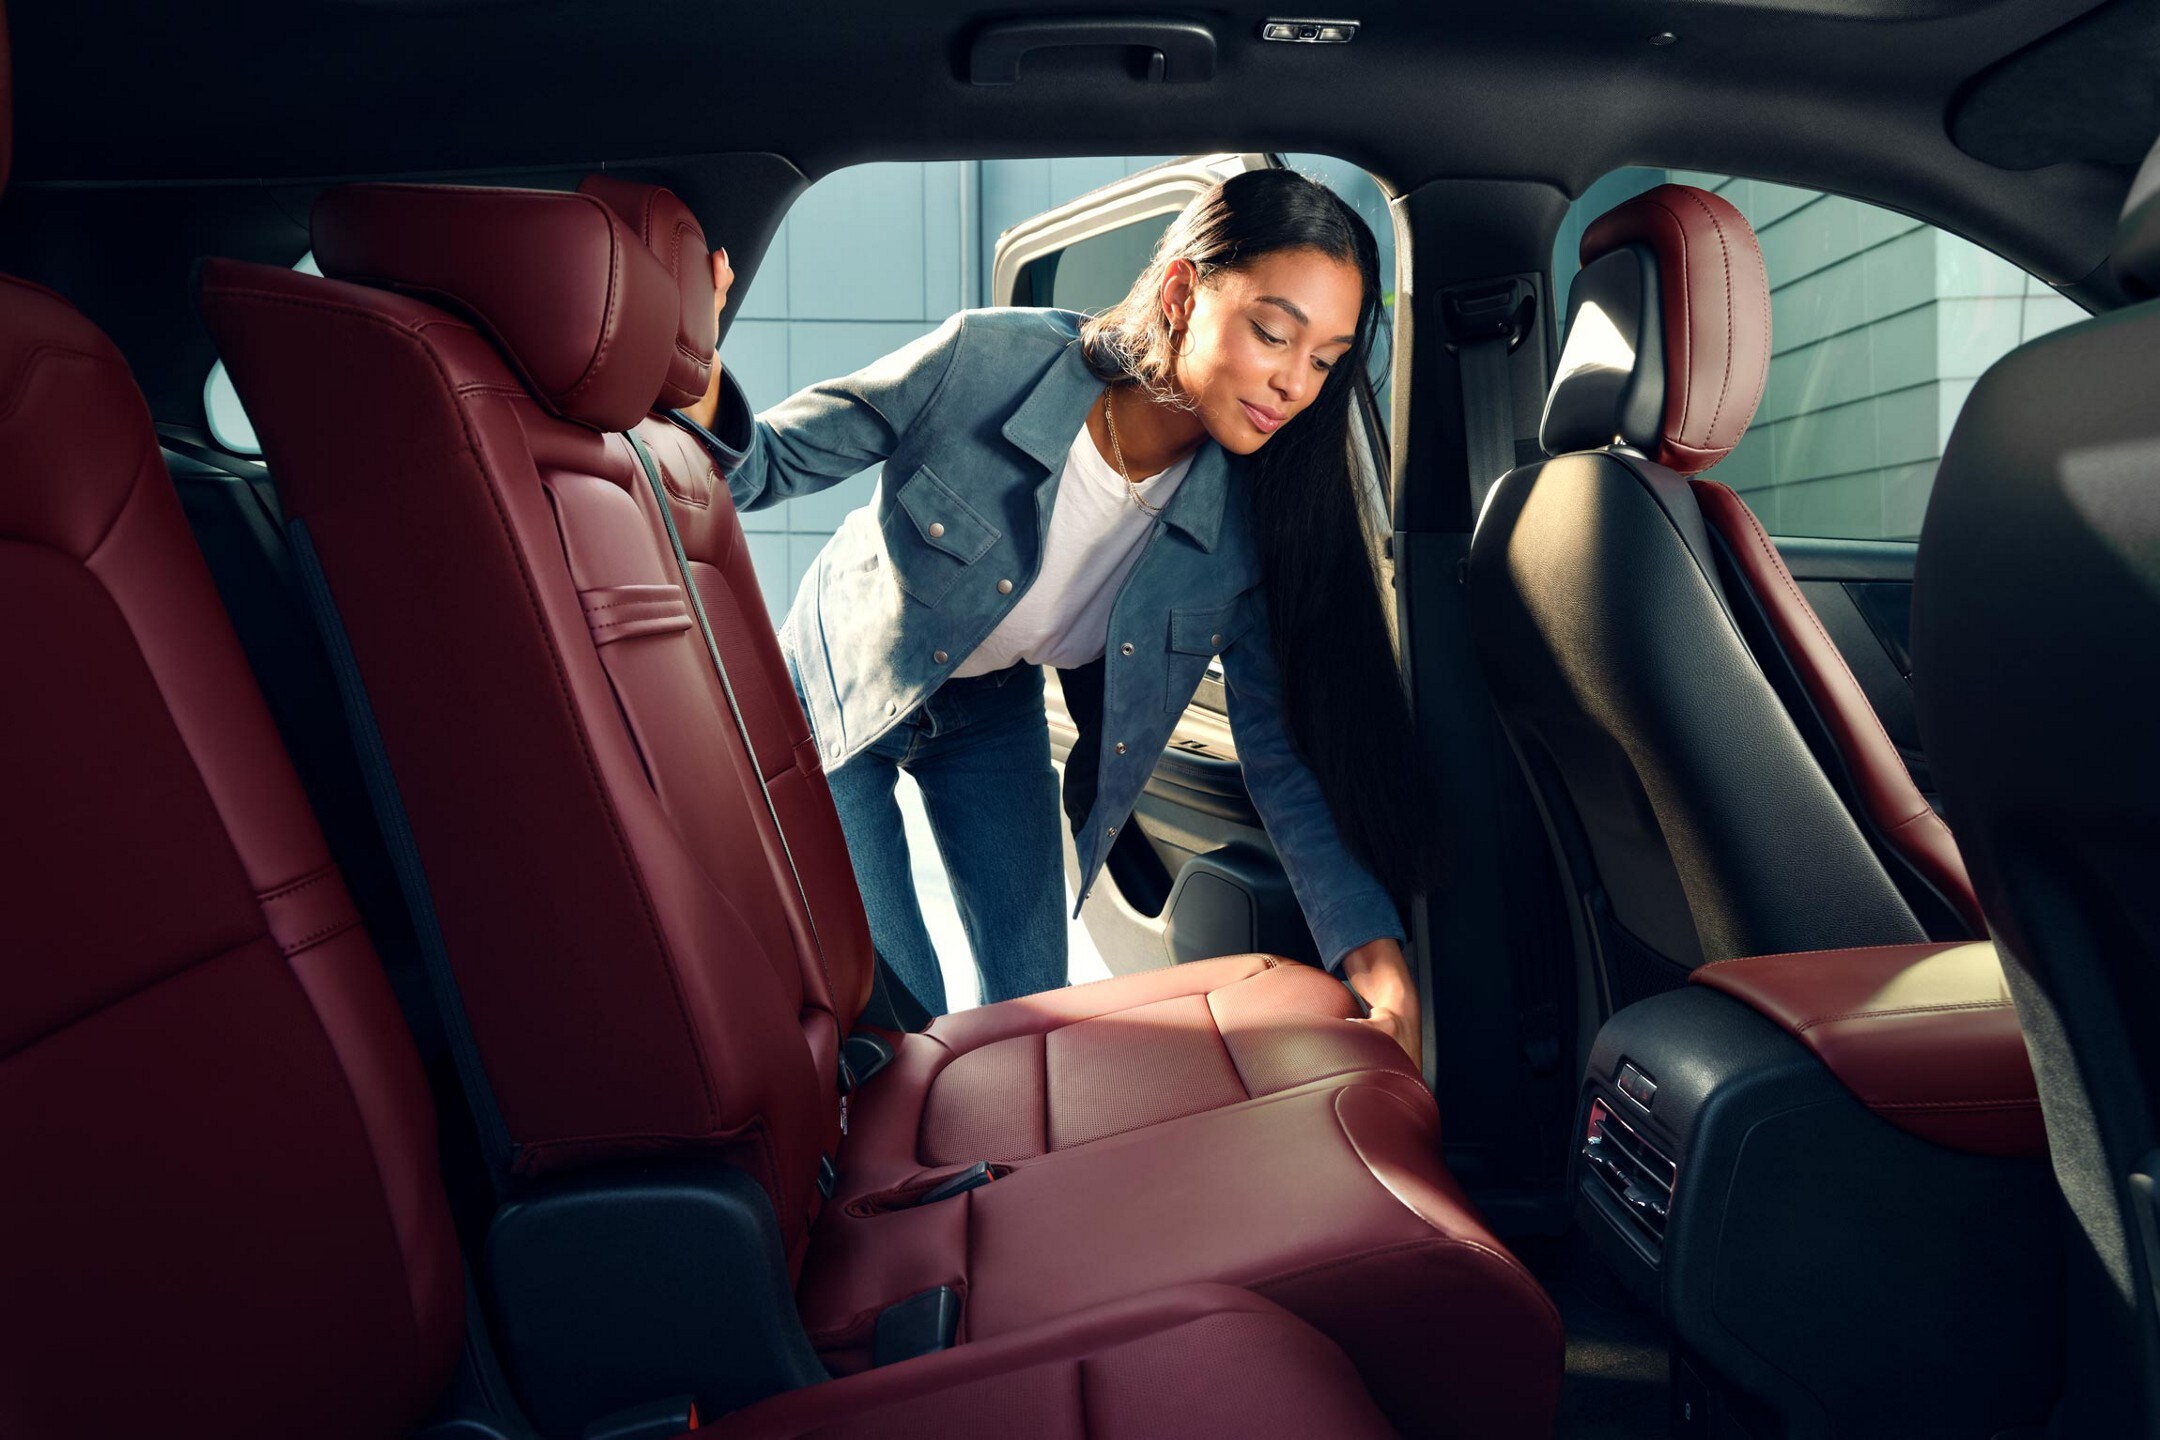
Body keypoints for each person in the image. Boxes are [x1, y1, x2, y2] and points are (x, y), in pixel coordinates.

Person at [671, 168, 1439, 1064]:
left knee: (1032, 1018)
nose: (1294, 386)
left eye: (1324, 360)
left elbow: (1277, 759)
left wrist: (1375, 961)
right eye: (1275, 334)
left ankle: (1009, 1189)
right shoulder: (986, 362)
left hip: (992, 710)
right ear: (1185, 292)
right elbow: (760, 468)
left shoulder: (1248, 530)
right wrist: (693, 352)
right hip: (840, 689)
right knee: (894, 1025)